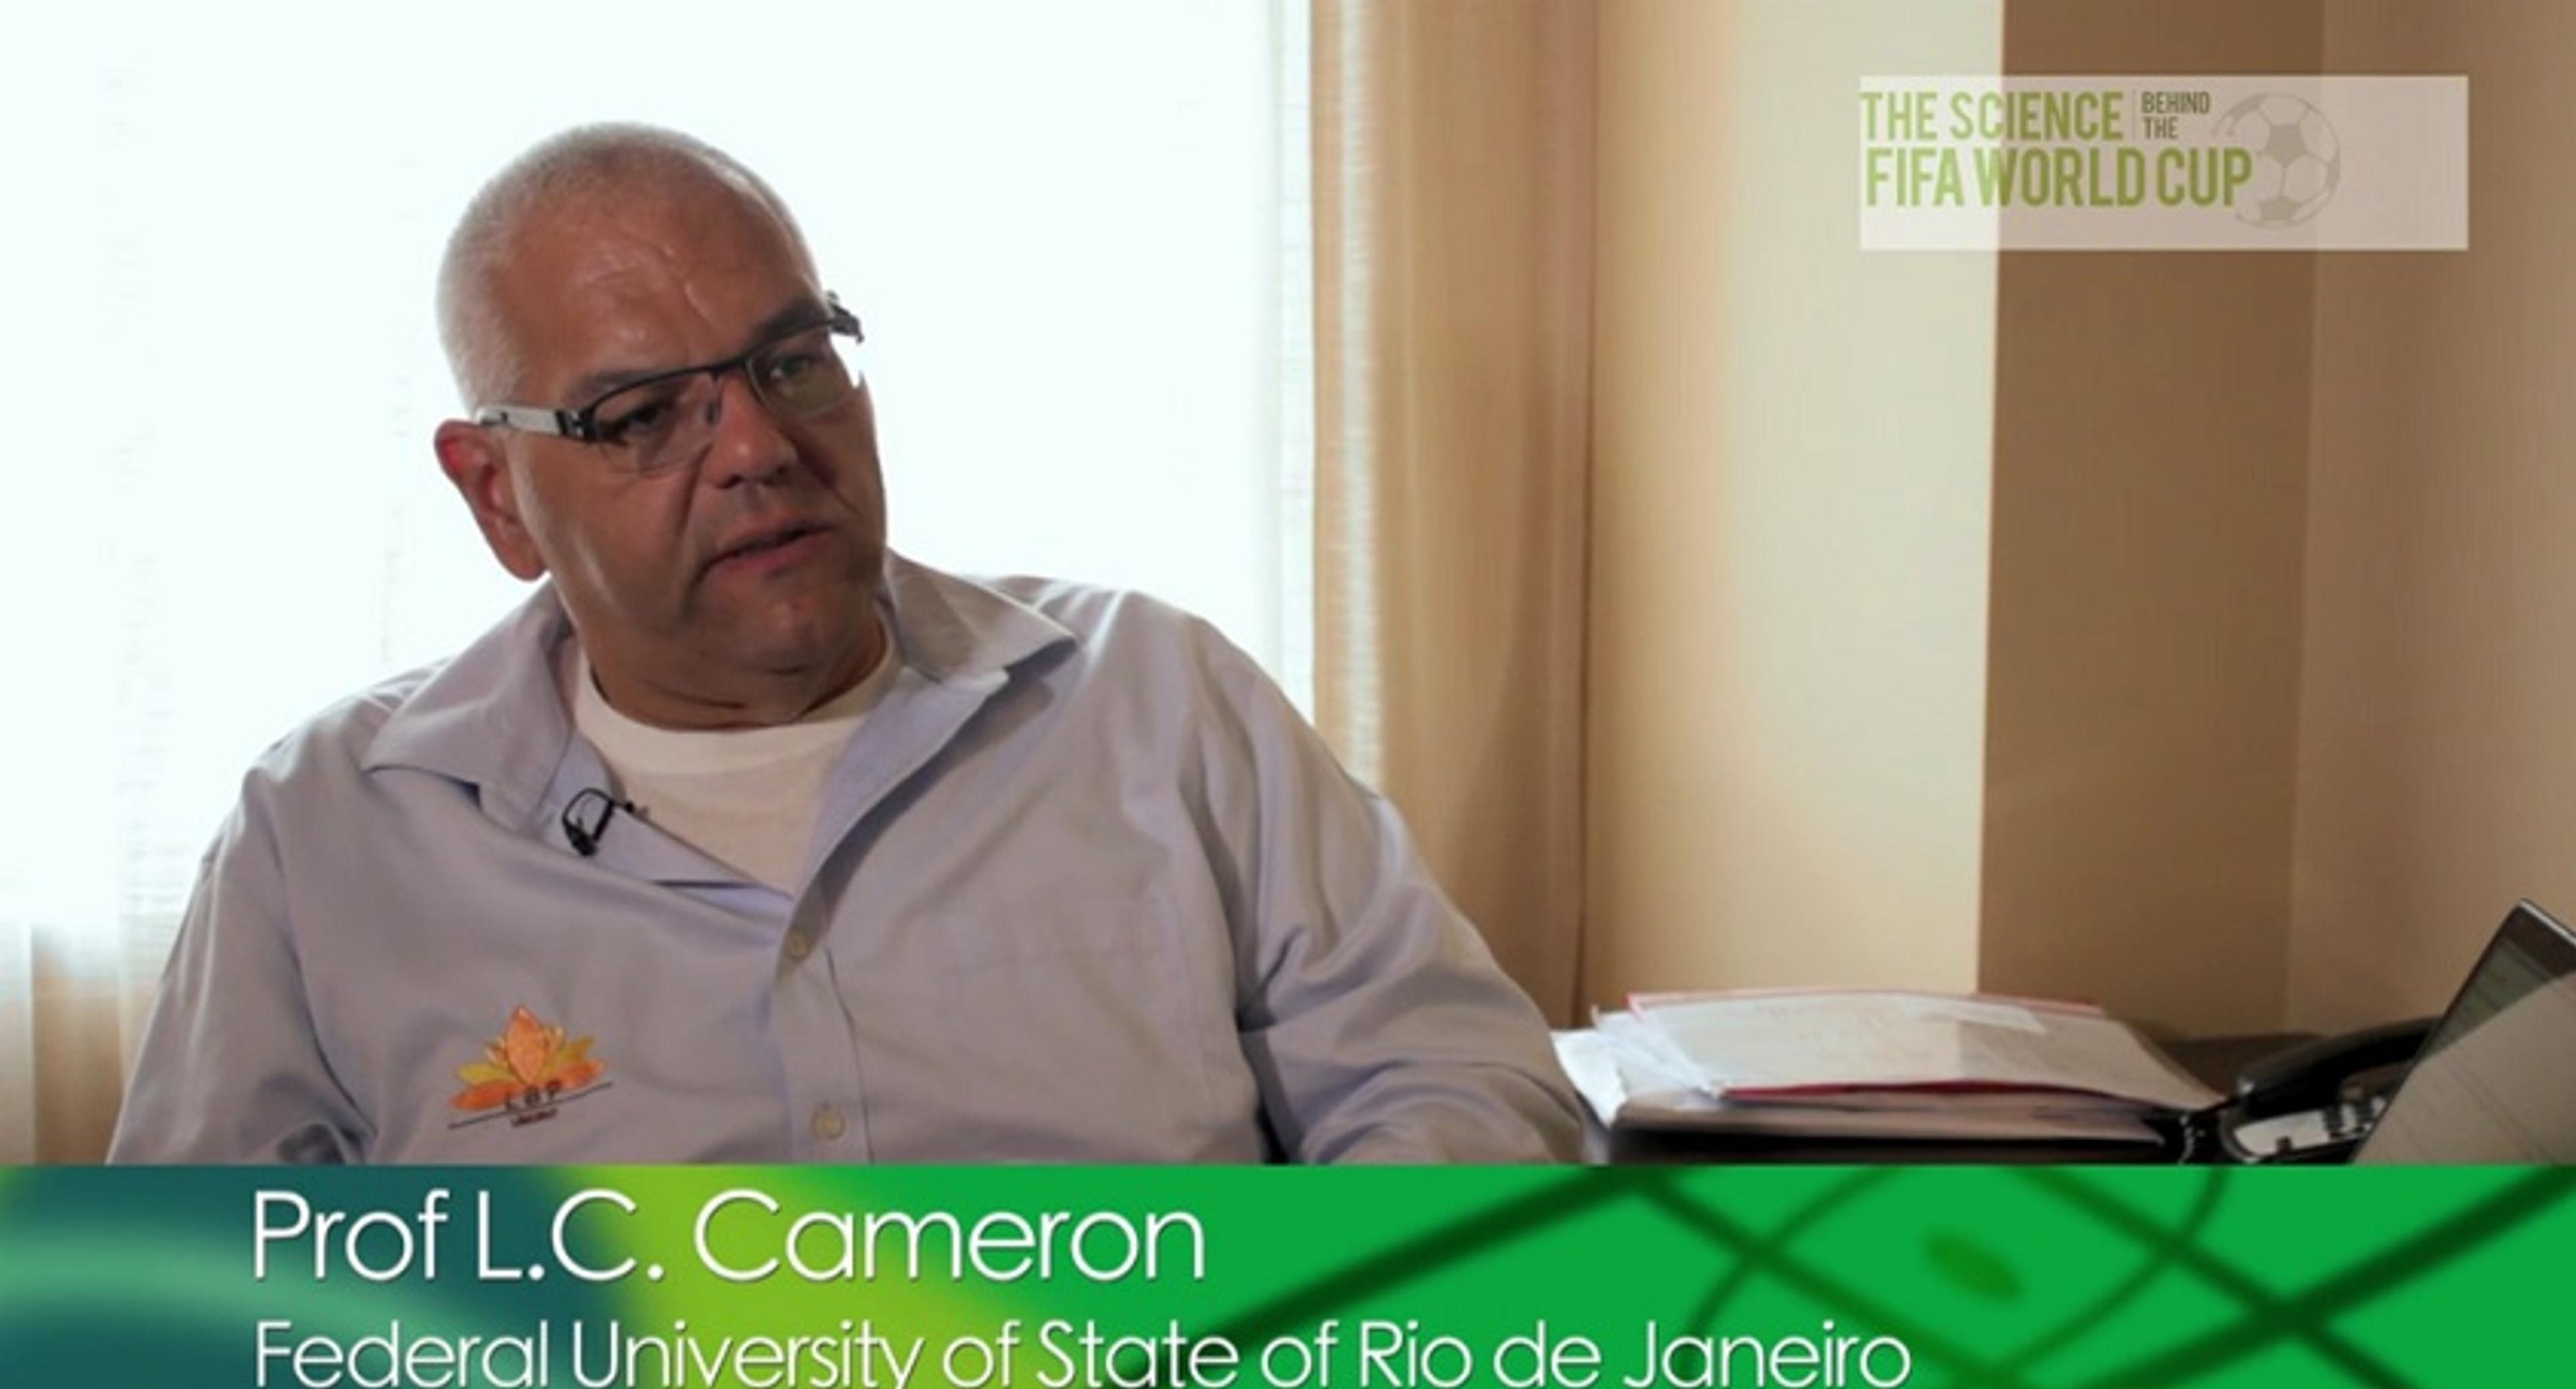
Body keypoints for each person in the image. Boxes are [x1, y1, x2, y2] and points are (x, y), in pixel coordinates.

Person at [107, 123, 1581, 1165]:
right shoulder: (326, 833)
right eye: (644, 414)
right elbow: (189, 1330)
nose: (758, 443)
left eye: (793, 360)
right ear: (497, 492)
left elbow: (1455, 1081)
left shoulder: (1157, 700)